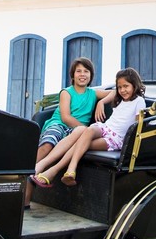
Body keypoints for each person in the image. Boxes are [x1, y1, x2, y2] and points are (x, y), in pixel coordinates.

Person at [30, 68, 147, 187]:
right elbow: (114, 93)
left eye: (126, 86)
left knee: (81, 144)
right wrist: (101, 102)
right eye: (120, 87)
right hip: (105, 128)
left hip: (116, 139)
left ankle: (58, 170)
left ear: (134, 85)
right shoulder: (120, 99)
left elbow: (138, 125)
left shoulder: (139, 101)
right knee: (89, 130)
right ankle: (69, 170)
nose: (122, 90)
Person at [25, 57, 110, 206]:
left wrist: (102, 102)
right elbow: (65, 117)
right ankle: (29, 174)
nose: (82, 74)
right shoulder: (66, 92)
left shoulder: (93, 93)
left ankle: (44, 173)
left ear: (91, 75)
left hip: (76, 132)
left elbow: (115, 92)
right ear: (73, 75)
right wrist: (82, 129)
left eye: (86, 71)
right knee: (48, 144)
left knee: (79, 136)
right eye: (78, 71)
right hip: (60, 124)